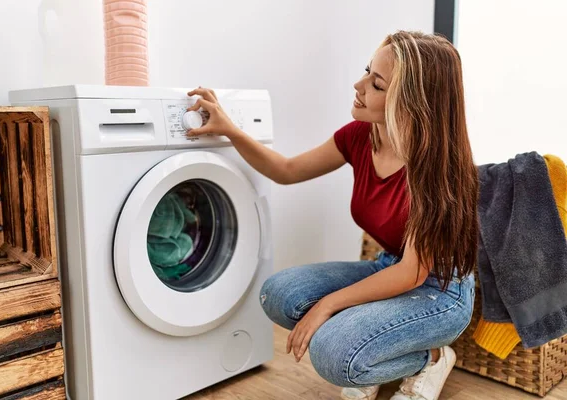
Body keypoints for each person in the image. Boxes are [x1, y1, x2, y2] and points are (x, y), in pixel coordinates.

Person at [186, 30, 479, 400]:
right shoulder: (361, 136)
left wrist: (328, 305)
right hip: (388, 267)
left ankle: (431, 358)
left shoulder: (437, 170)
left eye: (376, 83)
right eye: (366, 71)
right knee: (279, 294)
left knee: (334, 357)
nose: (358, 85)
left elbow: (412, 273)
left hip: (439, 292)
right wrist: (229, 129)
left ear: (410, 101)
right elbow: (287, 170)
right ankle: (376, 346)